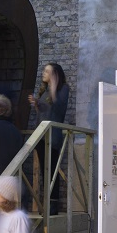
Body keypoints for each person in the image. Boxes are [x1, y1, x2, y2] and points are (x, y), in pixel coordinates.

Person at [28, 63, 70, 215]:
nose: (43, 73)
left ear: (55, 74)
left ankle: (52, 206)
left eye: (47, 71)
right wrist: (36, 103)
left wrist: (53, 87)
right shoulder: (44, 90)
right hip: (41, 134)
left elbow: (59, 108)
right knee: (44, 171)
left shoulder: (63, 89)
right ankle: (45, 205)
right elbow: (46, 110)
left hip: (53, 135)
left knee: (52, 170)